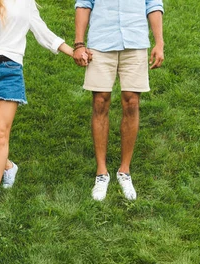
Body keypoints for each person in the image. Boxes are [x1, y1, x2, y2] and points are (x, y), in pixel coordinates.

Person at [0, 0, 75, 216]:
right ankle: (7, 166)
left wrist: (72, 52)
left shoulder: (25, 2)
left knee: (0, 135)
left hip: (10, 72)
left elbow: (42, 32)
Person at [73, 0, 164, 201]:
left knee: (132, 103)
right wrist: (79, 44)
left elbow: (154, 5)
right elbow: (83, 4)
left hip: (135, 42)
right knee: (99, 102)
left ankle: (124, 170)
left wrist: (159, 42)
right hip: (101, 42)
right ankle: (101, 172)